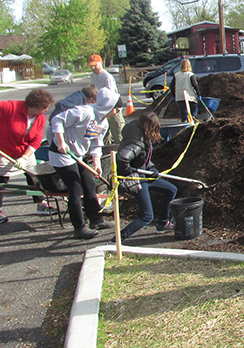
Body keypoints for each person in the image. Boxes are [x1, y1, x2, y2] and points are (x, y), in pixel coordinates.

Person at [49, 88, 123, 239]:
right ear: (109, 106)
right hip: (62, 154)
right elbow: (57, 120)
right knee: (75, 188)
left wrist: (96, 163)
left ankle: (96, 220)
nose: (117, 112)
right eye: (116, 108)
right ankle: (79, 228)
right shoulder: (84, 112)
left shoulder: (103, 123)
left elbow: (96, 144)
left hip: (78, 155)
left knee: (89, 184)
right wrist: (61, 142)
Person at [116, 112, 178, 240]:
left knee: (171, 189)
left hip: (144, 175)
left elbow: (142, 158)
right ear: (150, 127)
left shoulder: (142, 135)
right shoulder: (137, 142)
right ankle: (117, 240)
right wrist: (130, 172)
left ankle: (163, 223)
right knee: (147, 216)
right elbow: (122, 158)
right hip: (137, 179)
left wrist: (151, 168)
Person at [0, 89, 55, 224]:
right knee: (1, 180)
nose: (45, 110)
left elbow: (36, 140)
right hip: (4, 150)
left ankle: (41, 204)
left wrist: (24, 157)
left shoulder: (40, 118)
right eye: (44, 107)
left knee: (34, 175)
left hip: (24, 151)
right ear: (34, 105)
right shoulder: (11, 108)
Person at [88, 54, 125, 143]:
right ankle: (107, 152)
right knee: (104, 133)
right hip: (101, 108)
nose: (93, 68)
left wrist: (115, 109)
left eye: (95, 65)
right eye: (91, 66)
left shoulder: (107, 77)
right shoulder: (92, 76)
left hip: (112, 107)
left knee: (118, 131)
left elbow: (111, 95)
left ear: (101, 63)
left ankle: (121, 150)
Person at [170, 59, 200, 123]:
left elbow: (172, 85)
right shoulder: (190, 74)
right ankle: (193, 120)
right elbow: (195, 85)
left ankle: (184, 123)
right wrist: (199, 94)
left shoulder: (176, 75)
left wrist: (173, 95)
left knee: (183, 111)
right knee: (194, 108)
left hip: (180, 95)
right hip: (190, 95)